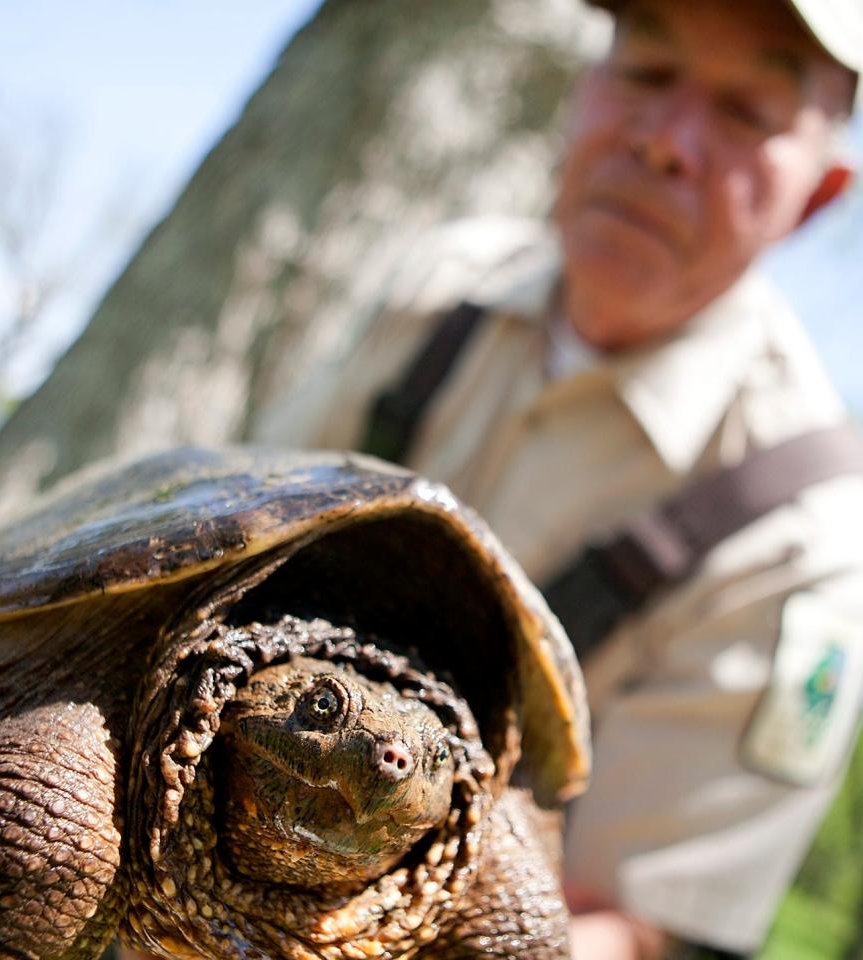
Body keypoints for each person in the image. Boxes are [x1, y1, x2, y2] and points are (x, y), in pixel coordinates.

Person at [253, 1, 863, 957]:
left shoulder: (806, 534)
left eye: (747, 111)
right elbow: (220, 560)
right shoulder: (437, 289)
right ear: (586, 90)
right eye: (648, 74)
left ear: (819, 196)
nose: (665, 142)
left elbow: (640, 929)